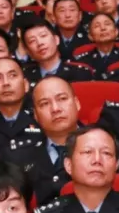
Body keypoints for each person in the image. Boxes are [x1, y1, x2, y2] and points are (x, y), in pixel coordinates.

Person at [6, 76, 82, 206]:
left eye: (62, 99)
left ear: (77, 103)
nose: (55, 109)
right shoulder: (18, 158)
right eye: (45, 104)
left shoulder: (104, 145)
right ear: (35, 115)